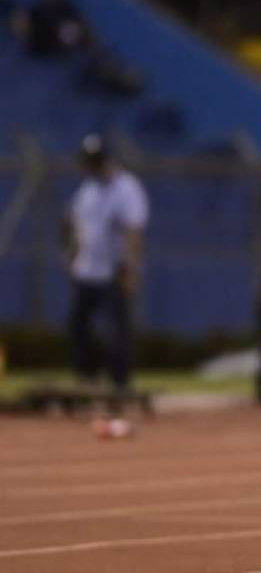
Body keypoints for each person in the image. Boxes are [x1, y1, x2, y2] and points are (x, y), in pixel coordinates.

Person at [64, 135, 148, 397]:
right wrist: (71, 254)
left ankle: (119, 383)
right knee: (78, 324)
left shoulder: (126, 188)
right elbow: (74, 224)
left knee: (117, 329)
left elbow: (133, 230)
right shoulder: (87, 190)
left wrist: (130, 268)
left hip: (114, 270)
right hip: (86, 270)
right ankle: (86, 376)